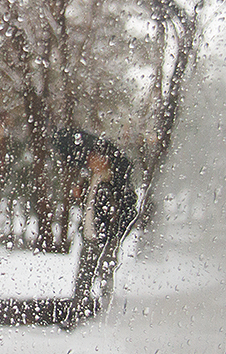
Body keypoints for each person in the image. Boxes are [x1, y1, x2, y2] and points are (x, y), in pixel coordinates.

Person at [54, 128, 137, 328]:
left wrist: (114, 234)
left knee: (105, 276)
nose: (90, 161)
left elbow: (128, 210)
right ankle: (76, 315)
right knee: (83, 278)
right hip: (90, 237)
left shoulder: (115, 184)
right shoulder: (94, 179)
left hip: (105, 240)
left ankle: (106, 314)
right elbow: (89, 206)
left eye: (94, 158)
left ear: (104, 159)